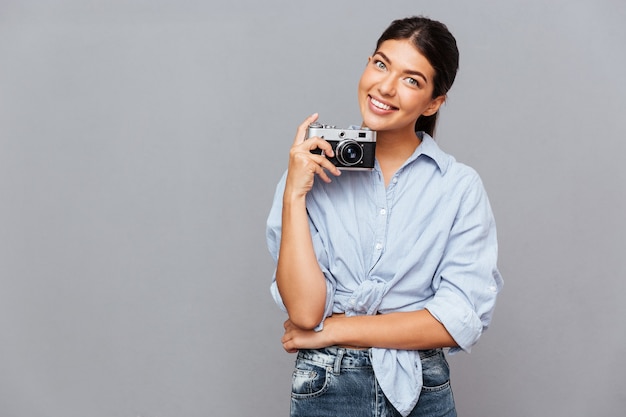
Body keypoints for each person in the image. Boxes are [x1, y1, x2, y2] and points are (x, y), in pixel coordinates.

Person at [266, 15, 503, 417]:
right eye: (380, 64)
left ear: (433, 102)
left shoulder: (458, 187)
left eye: (412, 80)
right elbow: (304, 312)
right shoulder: (310, 174)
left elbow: (457, 319)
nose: (386, 87)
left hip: (422, 389)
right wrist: (293, 194)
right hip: (327, 385)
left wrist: (337, 329)